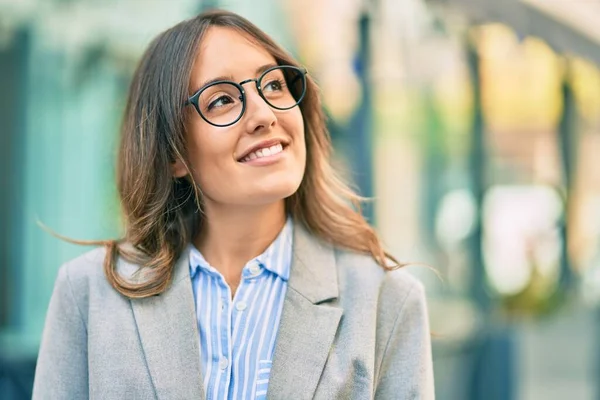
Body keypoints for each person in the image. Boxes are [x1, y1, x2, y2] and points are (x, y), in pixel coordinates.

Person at [32, 9, 434, 400]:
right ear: (173, 154)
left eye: (274, 85)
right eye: (222, 100)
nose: (264, 115)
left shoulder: (386, 300)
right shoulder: (88, 292)